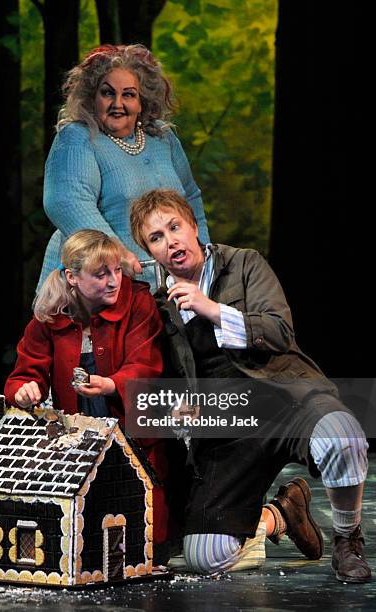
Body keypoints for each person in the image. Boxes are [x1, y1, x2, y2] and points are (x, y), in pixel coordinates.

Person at [129, 188, 371, 583]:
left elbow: (278, 331)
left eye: (175, 227)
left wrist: (211, 309)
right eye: (156, 237)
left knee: (342, 437)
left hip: (284, 396)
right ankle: (282, 514)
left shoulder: (244, 265)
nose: (170, 241)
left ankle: (348, 539)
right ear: (149, 251)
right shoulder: (160, 307)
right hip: (227, 424)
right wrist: (178, 406)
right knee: (206, 557)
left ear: (194, 226)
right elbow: (161, 376)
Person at [5, 229, 170, 551]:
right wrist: (25, 389)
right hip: (77, 444)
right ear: (72, 277)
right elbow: (26, 372)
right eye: (101, 274)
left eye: (117, 271)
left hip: (134, 434)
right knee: (82, 541)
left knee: (144, 537)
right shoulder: (50, 316)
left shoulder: (138, 302)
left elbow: (146, 365)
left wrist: (111, 384)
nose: (113, 281)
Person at [38, 44, 210, 291]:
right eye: (108, 93)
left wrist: (202, 253)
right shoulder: (77, 137)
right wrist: (117, 254)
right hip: (96, 287)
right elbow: (67, 202)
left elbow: (191, 197)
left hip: (169, 286)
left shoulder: (162, 138)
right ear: (92, 97)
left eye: (129, 94)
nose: (118, 103)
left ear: (142, 101)